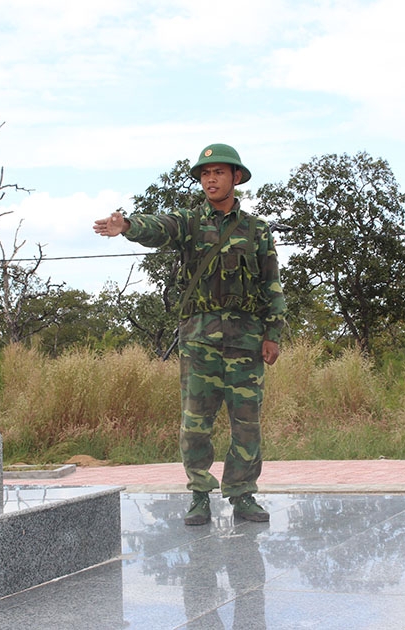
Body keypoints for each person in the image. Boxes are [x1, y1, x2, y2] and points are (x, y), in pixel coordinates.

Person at [93, 143, 286, 526]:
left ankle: (242, 494)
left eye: (218, 172)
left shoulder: (257, 230)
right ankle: (199, 494)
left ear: (236, 177)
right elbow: (160, 228)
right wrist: (128, 226)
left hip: (246, 339)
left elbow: (272, 285)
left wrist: (273, 333)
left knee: (246, 423)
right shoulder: (190, 222)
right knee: (196, 422)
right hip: (199, 339)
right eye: (204, 173)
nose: (210, 179)